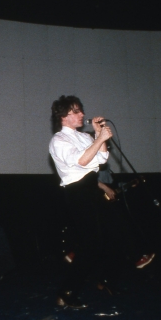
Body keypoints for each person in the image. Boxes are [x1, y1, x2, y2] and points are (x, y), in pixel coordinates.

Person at [49, 95, 112, 309]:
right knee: (91, 244)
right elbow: (83, 160)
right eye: (76, 111)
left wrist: (98, 137)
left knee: (105, 238)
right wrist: (99, 139)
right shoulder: (59, 140)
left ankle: (104, 281)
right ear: (63, 116)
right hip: (77, 192)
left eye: (80, 110)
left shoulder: (84, 138)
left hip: (91, 189)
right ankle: (66, 292)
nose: (82, 114)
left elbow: (102, 159)